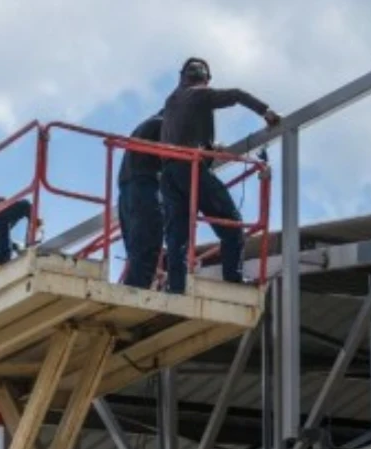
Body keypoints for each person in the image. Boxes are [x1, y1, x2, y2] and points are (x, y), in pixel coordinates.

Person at [159, 57, 281, 291]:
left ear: (182, 78)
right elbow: (236, 95)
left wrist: (209, 147)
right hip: (190, 169)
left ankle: (176, 288)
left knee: (177, 236)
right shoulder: (200, 94)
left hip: (169, 174)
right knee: (232, 225)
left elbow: (184, 130)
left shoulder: (172, 101)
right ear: (206, 80)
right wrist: (266, 111)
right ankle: (233, 280)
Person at [116, 111, 165, 289]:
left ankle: (132, 287)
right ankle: (135, 292)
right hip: (145, 188)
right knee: (147, 246)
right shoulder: (164, 125)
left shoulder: (145, 125)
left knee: (136, 249)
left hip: (127, 191)